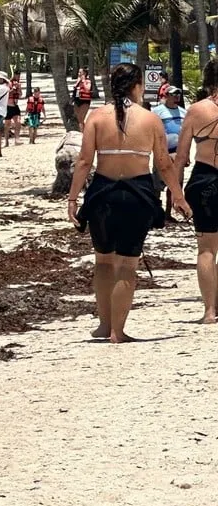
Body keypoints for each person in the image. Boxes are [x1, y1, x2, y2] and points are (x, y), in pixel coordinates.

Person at [68, 63, 188, 343]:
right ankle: (117, 331)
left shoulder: (96, 118)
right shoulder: (149, 119)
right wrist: (178, 196)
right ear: (136, 87)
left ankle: (104, 324)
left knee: (103, 261)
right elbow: (163, 164)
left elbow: (84, 161)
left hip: (102, 194)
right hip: (137, 195)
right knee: (127, 265)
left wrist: (73, 198)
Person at [178, 62, 218, 322]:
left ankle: (209, 311)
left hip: (204, 180)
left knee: (206, 249)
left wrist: (176, 193)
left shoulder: (196, 110)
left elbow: (181, 156)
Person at [153, 85, 186, 219]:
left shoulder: (184, 112)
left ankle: (168, 213)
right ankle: (155, 212)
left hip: (178, 153)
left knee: (176, 183)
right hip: (162, 152)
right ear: (166, 95)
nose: (176, 96)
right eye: (173, 94)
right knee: (157, 184)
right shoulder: (157, 111)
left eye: (178, 94)